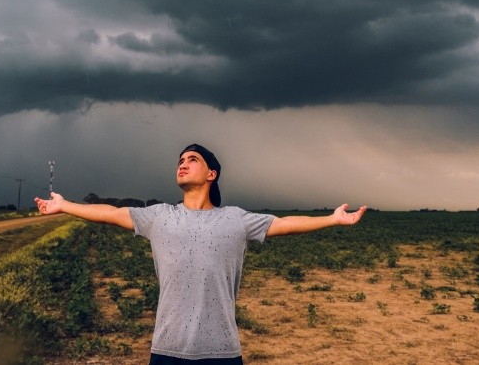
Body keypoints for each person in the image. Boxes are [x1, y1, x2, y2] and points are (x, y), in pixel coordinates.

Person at [35, 143, 366, 364]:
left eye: (192, 159)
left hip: (221, 352)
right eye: (180, 160)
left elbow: (283, 223)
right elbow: (110, 212)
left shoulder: (235, 220)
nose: (183, 163)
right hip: (167, 350)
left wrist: (332, 219)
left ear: (211, 174)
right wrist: (64, 206)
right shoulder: (159, 216)